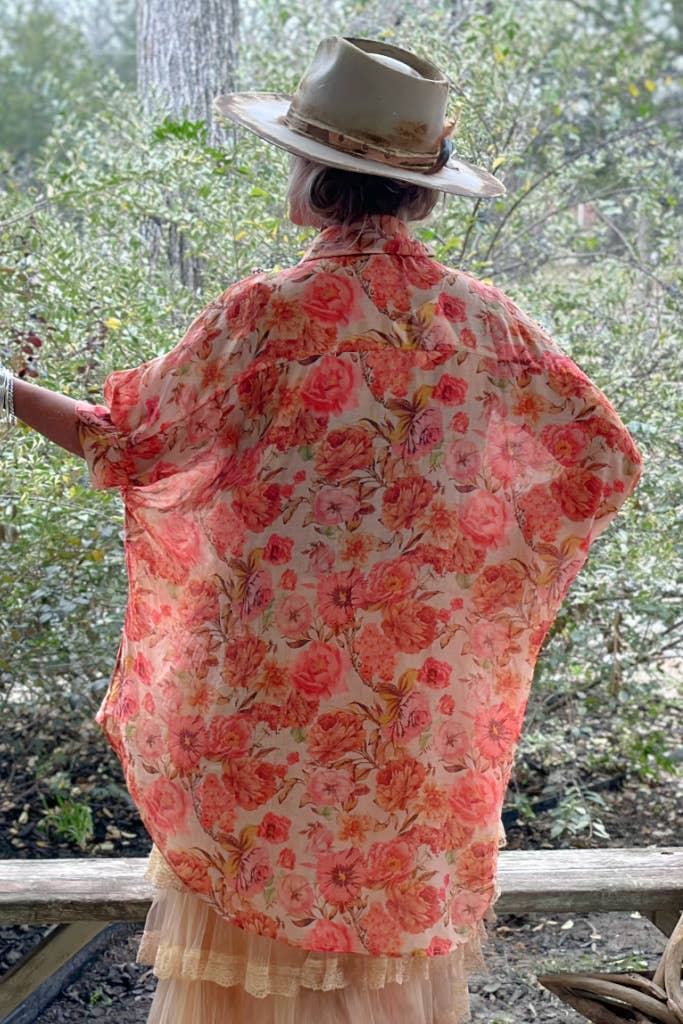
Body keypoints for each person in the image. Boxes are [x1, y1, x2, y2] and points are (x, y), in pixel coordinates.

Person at [2, 35, 642, 1024]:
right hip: (409, 728)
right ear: (419, 191)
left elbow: (120, 444)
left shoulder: (268, 315)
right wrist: (473, 572)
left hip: (262, 735)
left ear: (314, 175)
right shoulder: (487, 325)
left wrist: (5, 386)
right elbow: (605, 463)